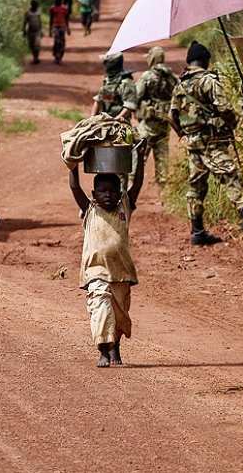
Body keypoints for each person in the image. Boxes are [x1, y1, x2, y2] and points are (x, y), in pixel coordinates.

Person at [69, 145, 147, 367]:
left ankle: (115, 346)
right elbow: (74, 187)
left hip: (121, 273)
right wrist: (72, 163)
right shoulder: (90, 210)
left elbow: (137, 185)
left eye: (113, 191)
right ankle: (103, 350)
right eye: (103, 191)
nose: (108, 195)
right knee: (101, 308)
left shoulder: (125, 207)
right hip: (96, 272)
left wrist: (140, 158)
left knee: (119, 315)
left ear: (120, 194)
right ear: (94, 195)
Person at [169, 41, 243, 245]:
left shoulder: (180, 85)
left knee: (196, 185)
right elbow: (224, 107)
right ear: (204, 60)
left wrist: (184, 133)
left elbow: (172, 116)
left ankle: (197, 231)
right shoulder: (208, 80)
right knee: (230, 175)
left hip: (193, 143)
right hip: (211, 140)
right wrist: (234, 123)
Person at [135, 46, 178, 184]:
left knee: (138, 157)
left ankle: (129, 191)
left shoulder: (147, 76)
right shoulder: (172, 77)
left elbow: (136, 96)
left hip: (148, 124)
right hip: (165, 123)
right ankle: (163, 193)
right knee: (162, 160)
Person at [92, 52, 138, 121]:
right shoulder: (108, 80)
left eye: (106, 63)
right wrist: (92, 118)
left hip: (119, 122)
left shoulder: (126, 83)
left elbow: (129, 106)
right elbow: (98, 100)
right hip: (104, 119)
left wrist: (116, 119)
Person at [48, 0, 70, 64]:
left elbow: (66, 19)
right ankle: (56, 56)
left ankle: (60, 57)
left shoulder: (64, 9)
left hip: (62, 27)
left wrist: (68, 28)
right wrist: (50, 30)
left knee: (62, 42)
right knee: (56, 41)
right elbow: (51, 19)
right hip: (55, 26)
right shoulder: (52, 8)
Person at [22, 0, 43, 65]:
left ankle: (36, 58)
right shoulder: (27, 13)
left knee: (37, 45)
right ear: (32, 5)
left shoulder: (38, 12)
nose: (36, 6)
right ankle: (35, 57)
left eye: (37, 5)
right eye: (35, 5)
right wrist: (23, 30)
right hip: (30, 32)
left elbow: (40, 21)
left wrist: (41, 30)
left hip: (37, 31)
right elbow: (25, 22)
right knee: (31, 45)